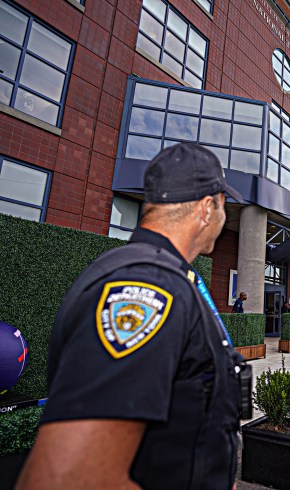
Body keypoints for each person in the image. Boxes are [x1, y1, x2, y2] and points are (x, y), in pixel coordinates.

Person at [16, 143, 251, 490]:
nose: (224, 216)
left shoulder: (165, 277)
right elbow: (70, 478)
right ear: (206, 208)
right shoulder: (144, 288)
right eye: (223, 206)